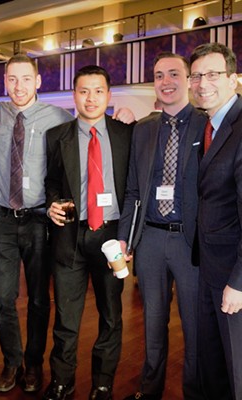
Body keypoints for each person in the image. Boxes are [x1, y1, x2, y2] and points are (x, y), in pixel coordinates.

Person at [118, 53, 206, 400]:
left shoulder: (205, 124)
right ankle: (149, 390)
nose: (166, 81)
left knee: (195, 326)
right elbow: (133, 191)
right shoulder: (144, 129)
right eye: (158, 75)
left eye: (173, 74)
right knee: (152, 324)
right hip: (151, 240)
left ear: (187, 79)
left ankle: (195, 391)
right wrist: (125, 237)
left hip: (190, 242)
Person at [43, 65, 134, 400]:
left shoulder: (127, 133)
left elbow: (134, 188)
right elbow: (51, 182)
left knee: (111, 315)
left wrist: (130, 236)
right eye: (84, 91)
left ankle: (102, 382)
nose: (91, 98)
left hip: (111, 236)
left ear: (109, 95)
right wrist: (53, 202)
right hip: (70, 234)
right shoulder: (58, 136)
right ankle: (62, 381)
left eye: (98, 91)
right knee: (66, 317)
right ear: (74, 96)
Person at [0, 53, 74, 394]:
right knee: (3, 299)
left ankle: (34, 362)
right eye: (12, 79)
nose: (18, 86)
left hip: (40, 221)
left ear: (38, 81)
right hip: (3, 221)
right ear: (4, 81)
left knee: (39, 298)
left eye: (25, 79)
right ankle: (12, 362)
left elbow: (84, 138)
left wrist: (125, 118)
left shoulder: (58, 117)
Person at [189, 42, 242, 400]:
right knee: (215, 365)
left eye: (212, 74)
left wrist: (239, 281)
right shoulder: (207, 125)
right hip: (208, 268)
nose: (202, 82)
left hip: (232, 277)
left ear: (233, 79)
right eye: (196, 75)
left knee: (237, 369)